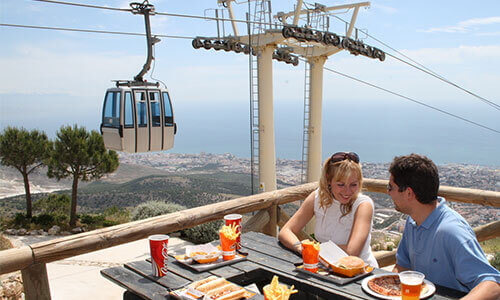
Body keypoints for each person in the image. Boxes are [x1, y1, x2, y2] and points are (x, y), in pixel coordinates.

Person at [388, 153, 500, 299]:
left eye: (390, 187)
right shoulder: (412, 221)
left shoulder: (451, 231)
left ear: (409, 193)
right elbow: (402, 267)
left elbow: (493, 284)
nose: (388, 192)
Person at [278, 151, 378, 267]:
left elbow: (352, 251)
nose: (347, 191)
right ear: (329, 180)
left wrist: (314, 250)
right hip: (327, 267)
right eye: (341, 185)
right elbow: (286, 231)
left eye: (353, 185)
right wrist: (301, 248)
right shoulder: (318, 197)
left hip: (361, 272)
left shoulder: (363, 205)